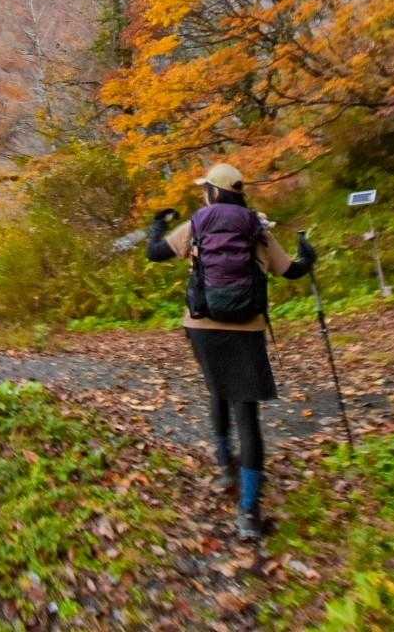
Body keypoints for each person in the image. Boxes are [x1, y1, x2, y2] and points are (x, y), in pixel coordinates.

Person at [145, 163, 316, 541]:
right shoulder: (257, 229)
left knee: (218, 389)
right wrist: (309, 255)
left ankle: (225, 464)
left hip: (201, 328)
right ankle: (249, 513)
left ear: (213, 192)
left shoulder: (196, 225)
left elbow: (155, 253)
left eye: (205, 188)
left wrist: (157, 224)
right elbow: (291, 271)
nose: (203, 194)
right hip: (246, 331)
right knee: (246, 415)